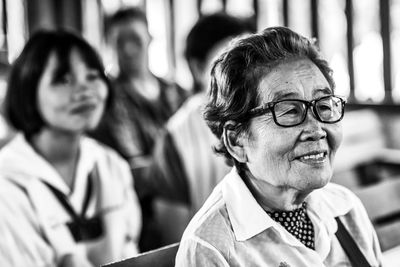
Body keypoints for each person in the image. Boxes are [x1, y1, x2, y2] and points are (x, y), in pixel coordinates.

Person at [175, 27, 383, 266]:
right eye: (289, 111)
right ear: (236, 141)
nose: (316, 130)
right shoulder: (212, 249)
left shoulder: (345, 210)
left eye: (324, 106)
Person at [0, 30, 142, 267]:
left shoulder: (111, 164)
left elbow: (132, 252)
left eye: (93, 75)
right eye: (64, 80)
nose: (85, 90)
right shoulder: (7, 180)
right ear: (28, 89)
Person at [89, 7, 188, 251]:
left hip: (189, 208)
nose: (128, 49)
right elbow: (128, 170)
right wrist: (178, 169)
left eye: (135, 39)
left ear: (149, 38)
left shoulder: (176, 92)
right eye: (119, 42)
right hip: (136, 221)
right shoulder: (107, 101)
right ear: (109, 44)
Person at [150, 13, 254, 212]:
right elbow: (174, 234)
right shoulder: (175, 137)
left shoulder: (271, 113)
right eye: (233, 60)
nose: (248, 70)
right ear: (198, 68)